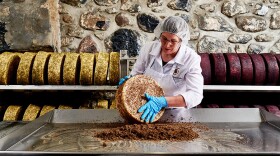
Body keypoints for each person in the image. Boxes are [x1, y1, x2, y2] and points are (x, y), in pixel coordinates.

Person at [118, 16, 204, 123]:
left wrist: (163, 102)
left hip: (176, 115)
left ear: (182, 40)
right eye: (164, 39)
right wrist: (129, 81)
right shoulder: (148, 49)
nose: (167, 45)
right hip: (146, 109)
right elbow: (137, 75)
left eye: (173, 41)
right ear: (160, 34)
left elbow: (195, 95)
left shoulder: (191, 59)